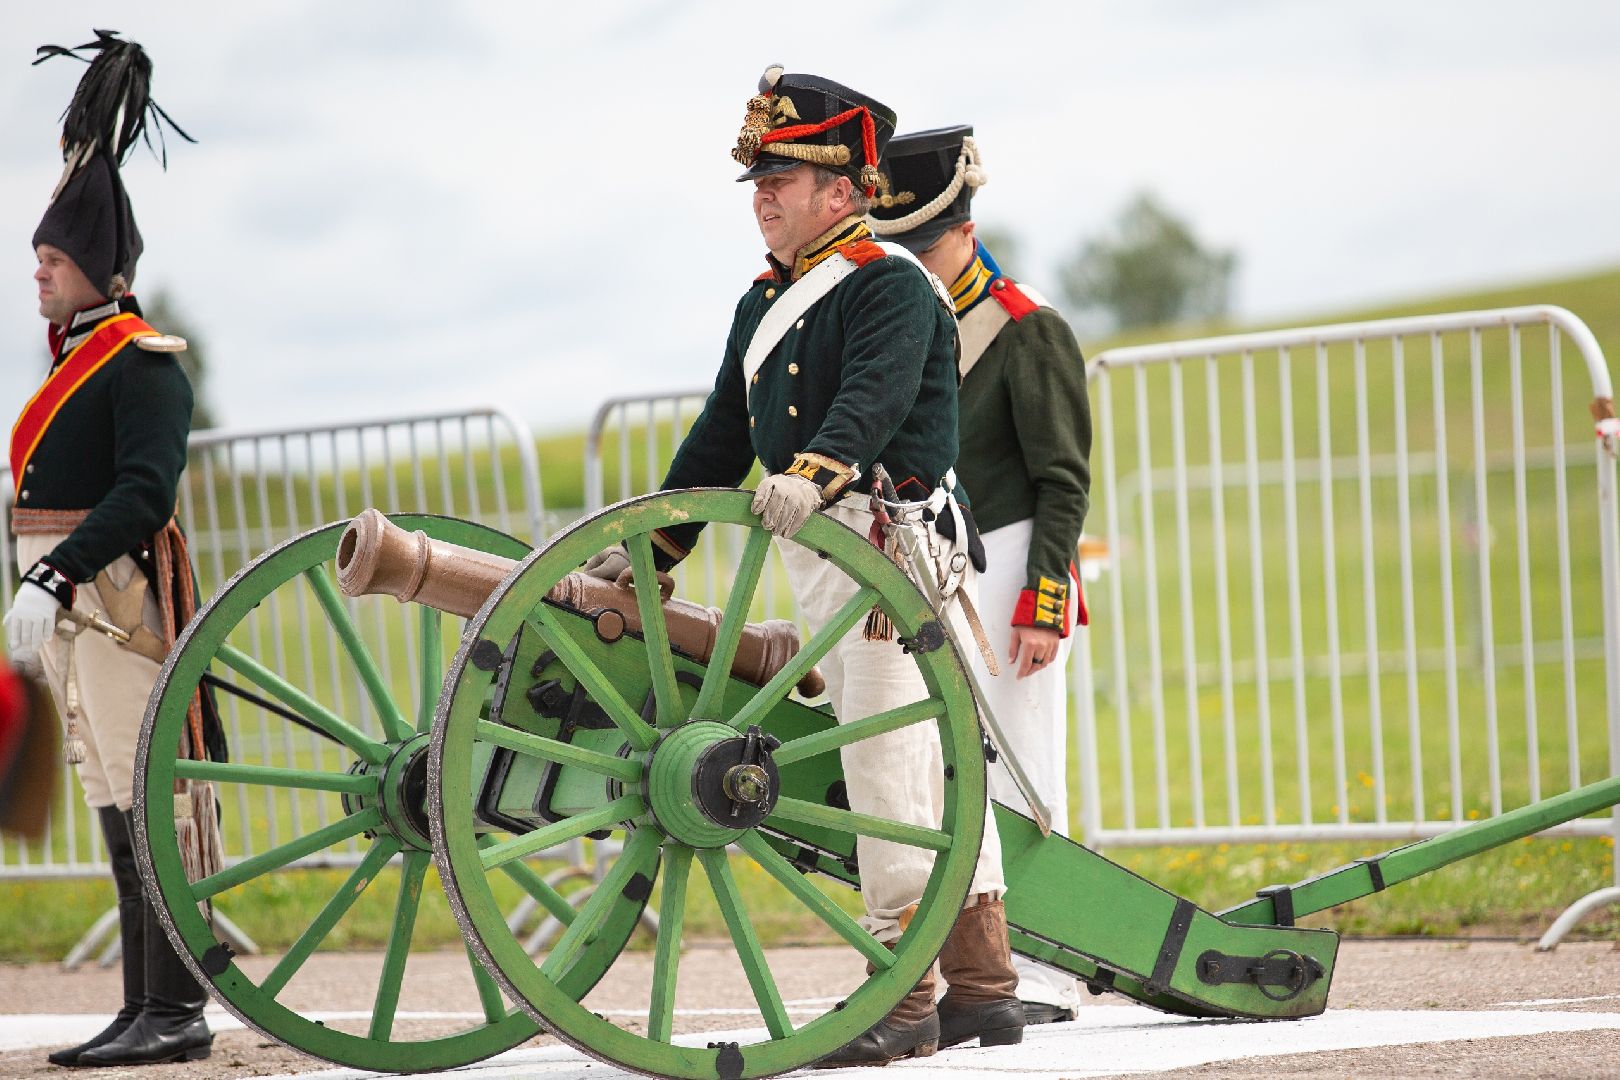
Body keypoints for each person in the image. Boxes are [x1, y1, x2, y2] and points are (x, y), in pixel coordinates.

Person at [583, 68, 1024, 1064]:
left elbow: (873, 396)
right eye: (759, 183)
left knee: (892, 764)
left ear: (840, 190)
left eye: (779, 180)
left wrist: (817, 471)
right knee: (920, 765)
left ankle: (907, 1002)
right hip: (824, 542)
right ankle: (985, 990)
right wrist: (657, 548)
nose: (762, 198)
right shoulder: (765, 301)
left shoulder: (888, 283)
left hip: (885, 548)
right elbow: (720, 430)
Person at [4, 31, 217, 1067]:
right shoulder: (76, 361)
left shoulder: (143, 364)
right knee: (110, 801)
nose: (37, 276)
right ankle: (143, 1006)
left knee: (147, 798)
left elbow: (143, 494)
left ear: (96, 267)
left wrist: (54, 571)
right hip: (75, 606)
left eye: (50, 261)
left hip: (117, 600)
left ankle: (175, 1007)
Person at [868, 126, 1093, 1025]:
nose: (914, 264)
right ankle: (981, 967)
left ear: (966, 230)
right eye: (899, 248)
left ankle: (1045, 973)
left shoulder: (1026, 328)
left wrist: (1044, 601)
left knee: (1021, 776)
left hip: (1010, 571)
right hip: (936, 565)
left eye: (926, 246)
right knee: (952, 770)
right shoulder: (903, 325)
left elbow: (1063, 480)